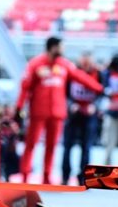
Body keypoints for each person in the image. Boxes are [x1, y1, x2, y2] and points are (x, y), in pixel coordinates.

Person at [17, 36, 103, 184]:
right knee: (31, 144)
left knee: (52, 146)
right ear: (53, 47)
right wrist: (19, 107)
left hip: (57, 113)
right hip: (38, 112)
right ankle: (25, 175)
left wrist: (99, 88)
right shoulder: (35, 64)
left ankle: (47, 176)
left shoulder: (64, 65)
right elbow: (25, 87)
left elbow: (81, 77)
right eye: (61, 47)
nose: (63, 50)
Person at [61, 51, 103, 185]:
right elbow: (64, 92)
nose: (86, 63)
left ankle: (83, 178)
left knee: (87, 146)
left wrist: (95, 106)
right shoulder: (72, 73)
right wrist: (71, 104)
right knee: (67, 145)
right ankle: (65, 176)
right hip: (74, 114)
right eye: (84, 60)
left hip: (89, 115)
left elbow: (103, 92)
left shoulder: (99, 73)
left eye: (88, 60)